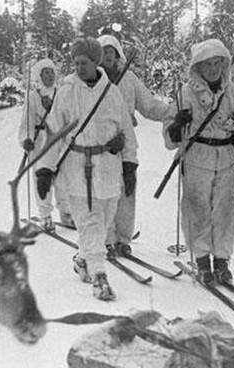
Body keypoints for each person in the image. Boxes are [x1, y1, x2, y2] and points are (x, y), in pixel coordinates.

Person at [36, 37, 137, 301]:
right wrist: (45, 169)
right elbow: (54, 133)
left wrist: (129, 164)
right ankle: (99, 276)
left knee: (102, 224)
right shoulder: (67, 91)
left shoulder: (112, 93)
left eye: (84, 63)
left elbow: (125, 129)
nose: (79, 68)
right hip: (77, 169)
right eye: (76, 63)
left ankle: (83, 259)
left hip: (108, 169)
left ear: (96, 63)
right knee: (90, 222)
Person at [162, 38, 234, 286]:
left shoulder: (233, 93)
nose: (213, 69)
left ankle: (221, 261)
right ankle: (202, 260)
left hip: (226, 160)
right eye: (208, 64)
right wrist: (176, 125)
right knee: (197, 211)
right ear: (198, 66)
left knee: (225, 212)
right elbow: (169, 138)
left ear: (224, 64)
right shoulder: (184, 94)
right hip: (197, 158)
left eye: (218, 63)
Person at [98, 34, 172, 258]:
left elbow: (149, 105)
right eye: (103, 52)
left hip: (126, 143)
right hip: (99, 146)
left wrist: (175, 112)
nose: (107, 56)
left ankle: (123, 238)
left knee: (127, 190)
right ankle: (106, 239)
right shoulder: (93, 80)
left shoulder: (128, 79)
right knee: (104, 192)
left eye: (111, 52)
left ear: (117, 53)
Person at [18, 58, 72, 231]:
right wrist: (26, 138)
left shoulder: (61, 93)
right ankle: (45, 215)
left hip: (59, 140)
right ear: (39, 76)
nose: (49, 75)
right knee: (42, 179)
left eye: (51, 72)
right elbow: (27, 120)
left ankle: (66, 212)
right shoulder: (33, 97)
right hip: (40, 141)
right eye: (45, 73)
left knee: (63, 178)